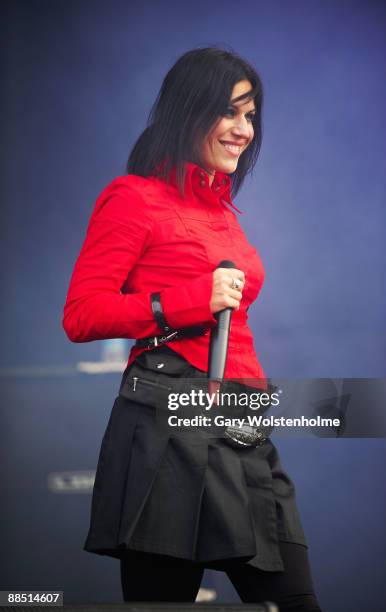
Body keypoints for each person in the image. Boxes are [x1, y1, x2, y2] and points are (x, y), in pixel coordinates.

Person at [62, 47, 322, 611]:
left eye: (250, 115)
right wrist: (184, 301)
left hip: (241, 422)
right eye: (231, 112)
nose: (243, 130)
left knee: (294, 598)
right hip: (169, 422)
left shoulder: (224, 212)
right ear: (188, 111)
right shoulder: (133, 199)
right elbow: (82, 315)